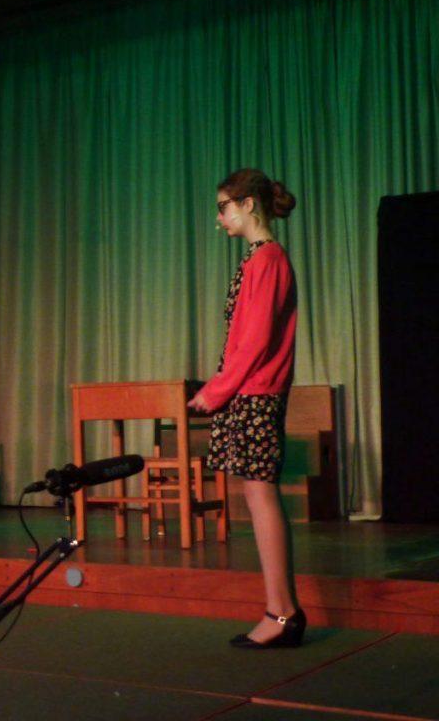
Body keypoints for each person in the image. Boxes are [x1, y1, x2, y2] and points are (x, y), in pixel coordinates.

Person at [188, 168, 305, 648]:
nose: (219, 218)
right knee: (256, 496)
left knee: (261, 495)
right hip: (247, 392)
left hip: (256, 392)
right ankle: (281, 610)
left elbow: (255, 341)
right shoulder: (258, 259)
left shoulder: (269, 259)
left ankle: (282, 613)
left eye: (224, 207)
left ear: (248, 204)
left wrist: (217, 390)